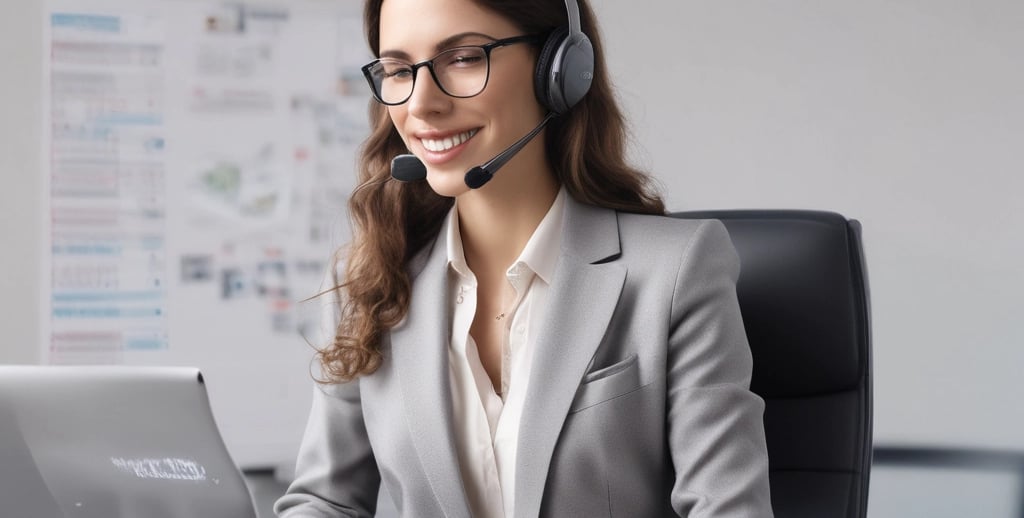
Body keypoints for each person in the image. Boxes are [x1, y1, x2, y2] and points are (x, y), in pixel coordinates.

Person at [275, 0, 773, 516]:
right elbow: (324, 500)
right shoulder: (369, 283)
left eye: (463, 57)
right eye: (399, 70)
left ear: (559, 71)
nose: (421, 105)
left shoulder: (675, 273)